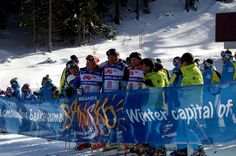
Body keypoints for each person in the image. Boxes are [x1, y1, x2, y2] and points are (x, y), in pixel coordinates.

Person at [171, 52, 205, 156]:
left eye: (180, 62)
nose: (179, 64)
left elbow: (195, 88)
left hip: (191, 105)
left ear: (185, 62)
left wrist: (183, 93)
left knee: (187, 127)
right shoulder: (186, 71)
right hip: (184, 104)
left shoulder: (194, 71)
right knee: (180, 127)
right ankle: (182, 149)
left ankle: (199, 149)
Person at [73, 55, 104, 150]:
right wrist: (77, 88)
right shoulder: (82, 71)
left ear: (95, 63)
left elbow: (104, 85)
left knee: (95, 121)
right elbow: (76, 83)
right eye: (87, 63)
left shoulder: (100, 71)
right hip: (83, 100)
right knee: (83, 121)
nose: (88, 65)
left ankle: (98, 141)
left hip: (95, 100)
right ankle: (84, 141)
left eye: (91, 63)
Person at [141, 58, 167, 155]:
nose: (141, 68)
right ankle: (153, 148)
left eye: (143, 66)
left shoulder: (158, 75)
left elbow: (159, 89)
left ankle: (160, 148)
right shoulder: (147, 76)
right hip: (149, 107)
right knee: (150, 128)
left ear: (148, 66)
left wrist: (149, 84)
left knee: (154, 128)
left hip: (158, 106)